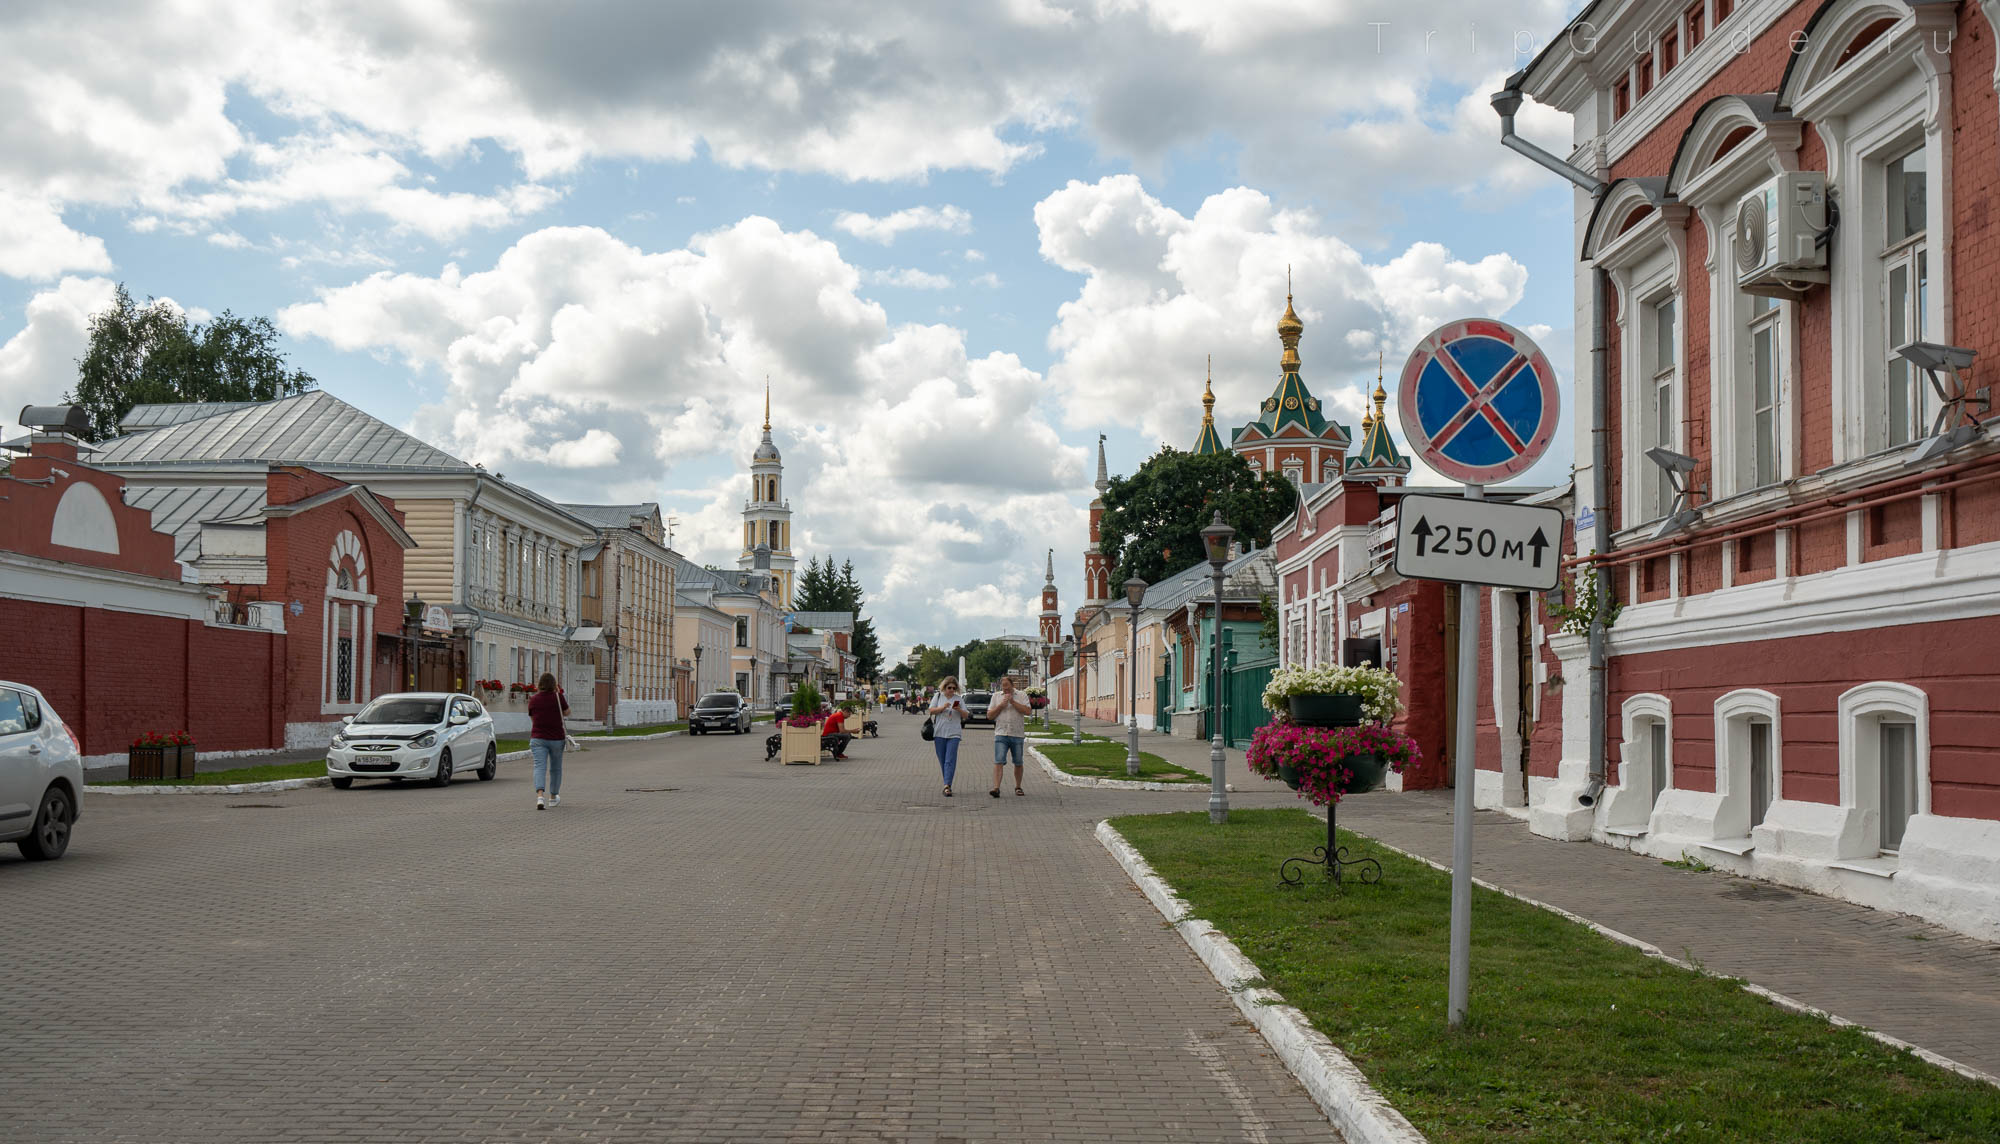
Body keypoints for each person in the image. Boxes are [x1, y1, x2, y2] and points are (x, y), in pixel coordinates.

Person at [527, 672, 570, 810]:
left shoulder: (533, 700)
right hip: (556, 738)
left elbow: (533, 719)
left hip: (538, 738)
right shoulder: (558, 697)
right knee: (555, 768)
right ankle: (553, 797)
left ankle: (540, 796)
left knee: (539, 767)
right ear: (553, 684)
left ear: (540, 684)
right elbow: (568, 712)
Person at [986, 675, 1031, 797]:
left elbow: (1027, 711)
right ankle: (996, 788)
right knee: (998, 761)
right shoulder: (996, 696)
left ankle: (1018, 786)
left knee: (1018, 762)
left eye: (1007, 686)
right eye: (1003, 686)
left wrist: (1012, 702)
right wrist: (1001, 705)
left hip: (1017, 734)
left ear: (1012, 685)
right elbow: (989, 716)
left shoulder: (1021, 695)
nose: (1005, 689)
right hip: (1001, 733)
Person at [927, 679, 969, 796]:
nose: (951, 690)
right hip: (939, 732)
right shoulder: (938, 696)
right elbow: (931, 710)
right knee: (943, 760)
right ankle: (947, 781)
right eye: (949, 688)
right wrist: (942, 708)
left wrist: (959, 709)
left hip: (954, 733)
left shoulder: (958, 699)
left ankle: (947, 785)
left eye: (953, 688)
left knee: (949, 760)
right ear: (944, 687)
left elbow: (966, 715)